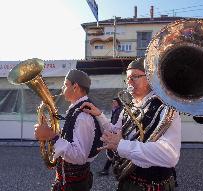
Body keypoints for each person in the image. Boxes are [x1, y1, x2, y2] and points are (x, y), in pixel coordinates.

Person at [81, 57, 181, 191]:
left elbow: (170, 156)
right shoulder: (129, 107)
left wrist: (122, 145)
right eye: (127, 78)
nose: (129, 82)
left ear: (150, 78)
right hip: (128, 181)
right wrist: (99, 115)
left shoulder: (166, 109)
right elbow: (116, 132)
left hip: (153, 186)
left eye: (135, 76)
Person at [34, 69, 102, 191]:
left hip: (73, 185)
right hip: (70, 181)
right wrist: (53, 133)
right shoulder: (77, 110)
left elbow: (80, 157)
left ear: (75, 87)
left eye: (65, 85)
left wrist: (52, 136)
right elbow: (73, 139)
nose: (62, 88)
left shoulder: (83, 115)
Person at [97, 97, 123, 176]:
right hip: (113, 132)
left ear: (118, 103)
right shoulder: (115, 110)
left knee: (112, 153)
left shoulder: (119, 111)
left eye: (115, 102)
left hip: (116, 134)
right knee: (112, 153)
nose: (113, 103)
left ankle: (109, 170)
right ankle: (110, 170)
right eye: (112, 102)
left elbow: (115, 125)